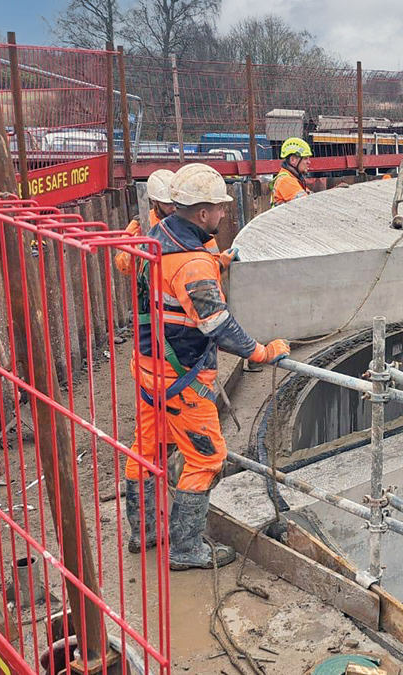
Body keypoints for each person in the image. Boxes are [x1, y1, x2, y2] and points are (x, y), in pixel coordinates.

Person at [125, 163, 290, 569]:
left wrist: (217, 264)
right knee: (206, 459)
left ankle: (144, 532)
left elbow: (172, 282)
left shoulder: (156, 235)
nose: (222, 214)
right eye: (218, 209)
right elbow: (217, 324)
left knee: (147, 450)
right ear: (201, 213)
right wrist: (260, 352)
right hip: (181, 380)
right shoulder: (193, 264)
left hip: (149, 368)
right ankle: (184, 550)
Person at [270, 137, 313, 207]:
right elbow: (308, 204)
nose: (309, 162)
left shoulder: (293, 179)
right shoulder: (286, 181)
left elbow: (313, 198)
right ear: (293, 160)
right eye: (305, 158)